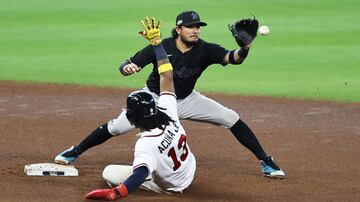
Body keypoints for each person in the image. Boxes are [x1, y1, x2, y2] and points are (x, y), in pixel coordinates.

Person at [55, 11, 285, 178]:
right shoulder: (161, 46)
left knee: (230, 117)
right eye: (190, 26)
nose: (195, 30)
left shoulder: (206, 49)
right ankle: (74, 152)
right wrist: (128, 68)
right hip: (154, 101)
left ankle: (266, 161)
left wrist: (245, 49)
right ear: (178, 29)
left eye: (198, 26)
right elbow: (127, 64)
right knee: (116, 127)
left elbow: (232, 59)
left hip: (187, 99)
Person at [84, 17, 195, 200]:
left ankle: (160, 187)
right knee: (157, 159)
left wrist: (115, 193)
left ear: (134, 120)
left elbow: (140, 175)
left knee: (109, 172)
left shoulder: (145, 144)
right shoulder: (168, 110)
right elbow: (167, 75)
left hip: (173, 187)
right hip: (189, 168)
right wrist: (157, 44)